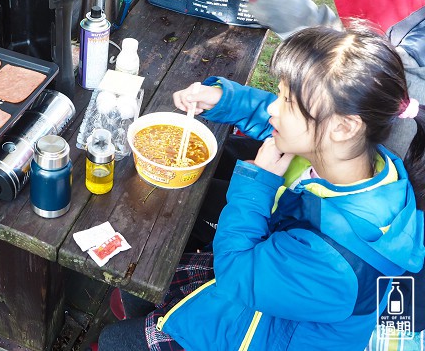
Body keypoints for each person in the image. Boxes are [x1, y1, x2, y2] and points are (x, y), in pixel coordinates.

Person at [98, 24, 425, 350]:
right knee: (147, 268)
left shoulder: (339, 262)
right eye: (281, 94)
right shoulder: (352, 156)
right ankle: (148, 312)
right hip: (264, 278)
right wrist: (224, 98)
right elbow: (276, 116)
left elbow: (236, 274)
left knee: (113, 341)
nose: (273, 108)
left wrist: (256, 186)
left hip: (258, 329)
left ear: (343, 126)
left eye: (287, 101)